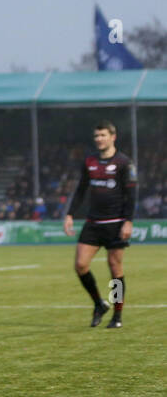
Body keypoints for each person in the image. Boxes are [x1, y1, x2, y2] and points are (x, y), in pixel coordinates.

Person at [63, 120, 136, 329]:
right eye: (96, 136)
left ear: (113, 137)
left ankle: (117, 315)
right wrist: (69, 214)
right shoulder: (89, 162)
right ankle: (99, 304)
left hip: (116, 223)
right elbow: (80, 190)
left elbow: (132, 196)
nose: (99, 139)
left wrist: (128, 222)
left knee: (115, 269)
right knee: (80, 265)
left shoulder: (124, 163)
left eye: (103, 135)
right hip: (93, 223)